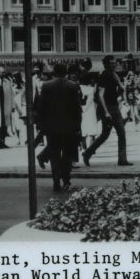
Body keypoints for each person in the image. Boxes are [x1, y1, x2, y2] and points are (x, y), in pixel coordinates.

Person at [36, 62, 84, 191]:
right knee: (67, 156)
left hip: (52, 127)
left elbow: (41, 107)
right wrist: (78, 125)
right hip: (69, 127)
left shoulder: (46, 86)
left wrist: (40, 124)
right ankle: (66, 180)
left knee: (54, 156)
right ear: (66, 72)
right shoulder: (73, 86)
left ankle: (56, 182)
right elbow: (77, 108)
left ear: (54, 72)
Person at [82, 55, 132, 167]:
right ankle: (122, 159)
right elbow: (100, 95)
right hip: (108, 107)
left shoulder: (114, 75)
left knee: (106, 134)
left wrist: (121, 89)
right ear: (106, 64)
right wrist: (106, 112)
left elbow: (118, 90)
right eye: (111, 63)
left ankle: (87, 153)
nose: (114, 65)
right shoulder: (104, 76)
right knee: (120, 133)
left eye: (115, 63)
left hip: (113, 106)